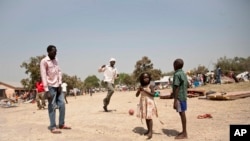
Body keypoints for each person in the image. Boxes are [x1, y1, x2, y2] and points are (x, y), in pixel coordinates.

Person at [40, 45, 71, 134]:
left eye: (56, 51)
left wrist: (60, 84)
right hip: (50, 86)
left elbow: (59, 71)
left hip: (58, 86)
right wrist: (46, 90)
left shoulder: (56, 59)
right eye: (54, 51)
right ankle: (53, 127)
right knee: (52, 106)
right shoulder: (44, 61)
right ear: (49, 52)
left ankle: (61, 124)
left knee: (62, 105)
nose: (55, 53)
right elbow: (43, 75)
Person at [136, 72, 158, 139]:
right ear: (142, 79)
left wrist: (144, 91)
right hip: (143, 102)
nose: (146, 79)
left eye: (147, 77)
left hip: (149, 103)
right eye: (144, 78)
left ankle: (150, 132)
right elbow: (136, 95)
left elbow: (153, 95)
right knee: (146, 117)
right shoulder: (141, 86)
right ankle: (148, 130)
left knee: (149, 117)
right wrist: (139, 90)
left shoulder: (150, 85)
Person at [172, 58, 188, 139]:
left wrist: (175, 100)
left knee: (182, 114)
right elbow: (185, 85)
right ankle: (184, 131)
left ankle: (184, 133)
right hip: (183, 96)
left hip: (179, 97)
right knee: (182, 113)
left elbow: (177, 86)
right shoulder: (183, 73)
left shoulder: (177, 74)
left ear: (175, 65)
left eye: (173, 65)